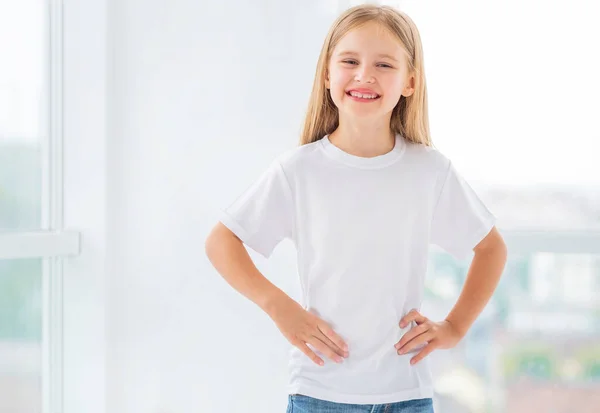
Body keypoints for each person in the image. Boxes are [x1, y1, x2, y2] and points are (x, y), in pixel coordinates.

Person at [205, 4, 508, 412]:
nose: (365, 75)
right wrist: (281, 308)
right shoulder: (299, 171)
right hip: (319, 392)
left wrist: (454, 326)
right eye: (350, 60)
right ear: (327, 74)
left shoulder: (428, 170)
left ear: (410, 82)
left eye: (384, 64)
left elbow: (490, 248)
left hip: (407, 393)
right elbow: (222, 242)